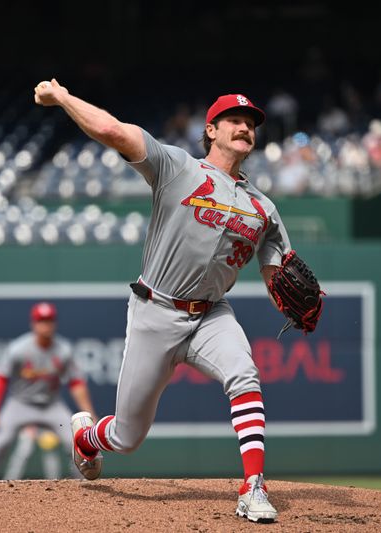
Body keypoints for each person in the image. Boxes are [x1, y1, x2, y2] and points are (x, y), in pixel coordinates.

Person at [34, 79, 293, 523]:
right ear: (211, 130)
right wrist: (62, 98)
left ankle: (253, 486)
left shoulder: (263, 208)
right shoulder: (177, 167)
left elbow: (277, 275)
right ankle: (87, 439)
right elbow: (114, 131)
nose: (245, 128)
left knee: (245, 373)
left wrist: (292, 303)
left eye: (251, 123)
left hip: (212, 314)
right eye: (234, 120)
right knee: (128, 436)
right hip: (156, 311)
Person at [0, 302, 97, 480]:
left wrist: (89, 412)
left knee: (75, 442)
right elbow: (1, 378)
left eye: (49, 320)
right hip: (20, 404)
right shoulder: (18, 349)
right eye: (41, 321)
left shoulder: (63, 351)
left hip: (51, 405)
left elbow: (76, 382)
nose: (46, 325)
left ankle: (84, 487)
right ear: (33, 324)